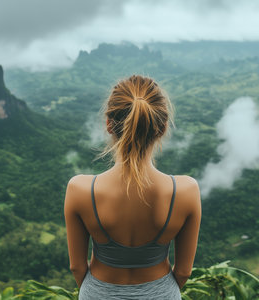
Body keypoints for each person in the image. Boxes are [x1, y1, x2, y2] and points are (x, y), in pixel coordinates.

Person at [64, 75, 201, 299]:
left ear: (109, 124)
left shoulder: (79, 190)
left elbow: (77, 267)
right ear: (163, 127)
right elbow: (184, 271)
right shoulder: (186, 191)